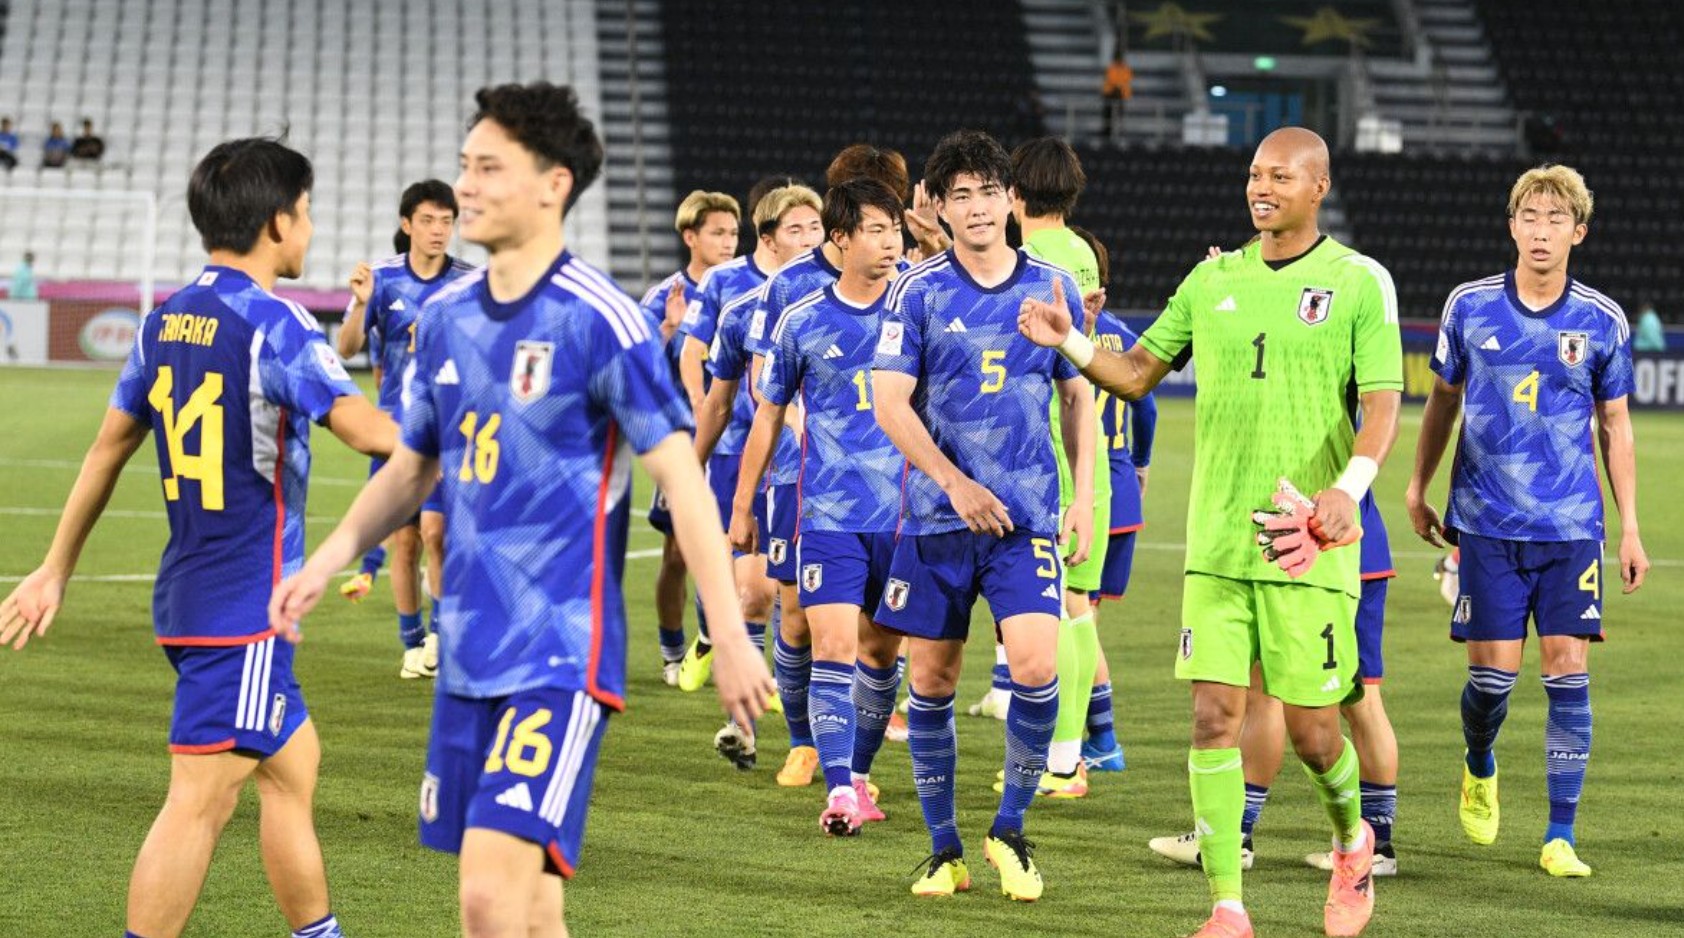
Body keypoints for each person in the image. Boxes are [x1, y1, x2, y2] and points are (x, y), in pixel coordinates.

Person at [268, 81, 774, 938]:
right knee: (531, 906)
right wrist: (327, 559)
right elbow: (413, 466)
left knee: (487, 900)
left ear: (554, 183)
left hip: (560, 652)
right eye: (466, 165)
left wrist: (726, 636)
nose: (466, 185)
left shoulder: (600, 318)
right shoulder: (448, 317)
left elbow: (684, 480)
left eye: (488, 167)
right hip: (467, 650)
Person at [0, 135, 397, 938]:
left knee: (293, 768)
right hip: (246, 608)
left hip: (191, 594)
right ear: (278, 221)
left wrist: (55, 566)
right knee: (199, 803)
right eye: (308, 212)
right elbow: (363, 429)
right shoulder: (275, 323)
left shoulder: (163, 322)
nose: (311, 227)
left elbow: (109, 447)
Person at [1019, 126, 1401, 938]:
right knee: (1213, 719)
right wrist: (1073, 342)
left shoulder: (1360, 282)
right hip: (1219, 546)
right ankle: (1229, 905)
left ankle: (1351, 839)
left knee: (1312, 731)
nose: (1262, 188)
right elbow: (1135, 374)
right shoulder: (1210, 277)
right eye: (1255, 174)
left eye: (1281, 176)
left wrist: (1349, 489)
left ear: (1319, 186)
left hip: (1307, 542)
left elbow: (1381, 405)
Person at [1406, 163, 1647, 879]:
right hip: (1485, 523)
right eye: (1530, 217)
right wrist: (1419, 486)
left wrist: (1629, 526)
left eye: (1556, 219)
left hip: (1573, 528)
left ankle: (1560, 833)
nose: (1541, 231)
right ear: (1512, 225)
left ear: (1579, 231)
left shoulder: (1602, 320)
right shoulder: (1470, 307)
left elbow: (1616, 426)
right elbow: (1442, 403)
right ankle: (1480, 763)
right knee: (1492, 685)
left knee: (1569, 672)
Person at [874, 129, 1094, 902]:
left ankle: (1010, 829)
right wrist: (953, 482)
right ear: (938, 205)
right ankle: (945, 851)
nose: (973, 207)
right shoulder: (918, 291)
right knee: (931, 682)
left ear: (1011, 199)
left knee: (1037, 667)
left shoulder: (1051, 287)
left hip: (1026, 518)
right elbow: (889, 403)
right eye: (957, 194)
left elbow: (1078, 395)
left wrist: (1085, 497)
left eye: (986, 192)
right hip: (938, 519)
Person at [730, 143, 936, 786]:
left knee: (882, 641)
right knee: (802, 619)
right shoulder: (792, 290)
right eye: (876, 221)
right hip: (809, 483)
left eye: (894, 219)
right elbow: (766, 392)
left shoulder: (919, 291)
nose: (890, 236)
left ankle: (856, 762)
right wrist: (745, 500)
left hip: (902, 498)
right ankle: (807, 746)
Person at [1149, 492, 1404, 876]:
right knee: (1275, 692)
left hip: (1328, 556)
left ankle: (1369, 842)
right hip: (1308, 553)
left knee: (1350, 700)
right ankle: (1245, 836)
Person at [974, 137, 1101, 800]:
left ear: (1014, 196)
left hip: (1046, 449)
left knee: (1067, 608)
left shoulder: (1035, 261)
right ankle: (1073, 751)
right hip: (1076, 445)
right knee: (1074, 607)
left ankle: (1064, 759)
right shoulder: (1079, 251)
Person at [671, 180, 818, 705]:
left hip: (807, 461)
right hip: (741, 446)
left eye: (814, 228)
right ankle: (719, 641)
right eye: (796, 228)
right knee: (745, 581)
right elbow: (701, 359)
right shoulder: (727, 285)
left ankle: (781, 684)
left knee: (785, 588)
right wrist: (695, 414)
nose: (808, 238)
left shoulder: (834, 290)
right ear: (771, 236)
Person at [334, 180, 476, 678]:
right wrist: (358, 304)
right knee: (405, 540)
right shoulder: (383, 280)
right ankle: (412, 642)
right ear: (407, 225)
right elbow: (348, 350)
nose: (439, 231)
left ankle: (440, 634)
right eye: (429, 221)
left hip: (448, 430)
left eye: (446, 221)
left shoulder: (470, 282)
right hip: (393, 431)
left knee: (437, 533)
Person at [640, 189, 741, 684]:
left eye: (732, 233)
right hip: (683, 441)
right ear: (690, 237)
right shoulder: (664, 297)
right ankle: (672, 649)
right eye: (716, 233)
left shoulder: (743, 286)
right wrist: (667, 330)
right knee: (678, 553)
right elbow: (632, 368)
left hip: (740, 439)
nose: (727, 242)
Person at [1071, 225, 1156, 775]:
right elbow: (1145, 407)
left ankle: (1094, 742)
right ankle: (1091, 741)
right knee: (1081, 620)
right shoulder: (1126, 337)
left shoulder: (1059, 335)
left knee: (1075, 621)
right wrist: (1142, 466)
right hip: (1121, 488)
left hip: (1086, 490)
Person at [1101, 55, 1134, 140]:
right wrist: (1116, 86)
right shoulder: (1112, 68)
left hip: (1120, 96)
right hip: (1110, 95)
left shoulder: (1125, 69)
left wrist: (1119, 87)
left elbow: (1127, 79)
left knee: (1118, 116)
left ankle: (1118, 132)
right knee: (1108, 115)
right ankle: (1107, 132)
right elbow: (1110, 79)